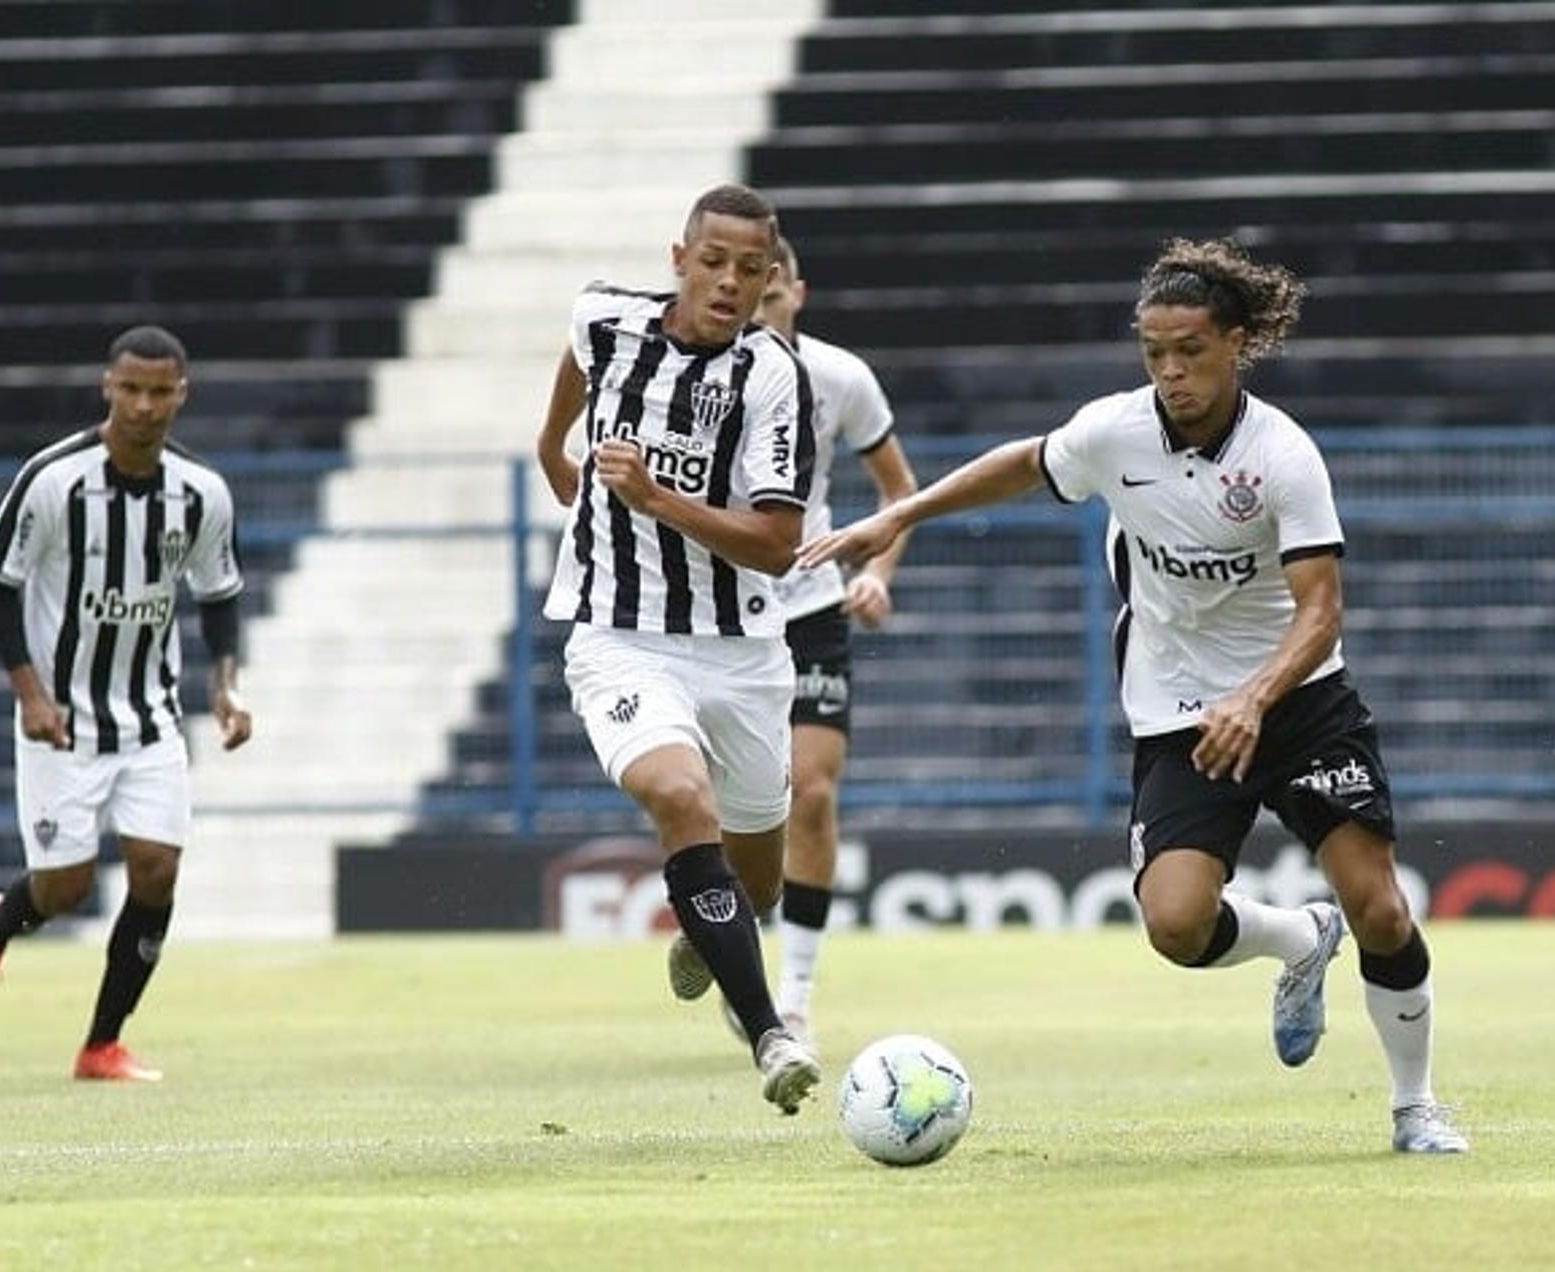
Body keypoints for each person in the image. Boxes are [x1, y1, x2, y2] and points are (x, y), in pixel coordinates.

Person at [800, 238, 1468, 1155]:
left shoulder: (1283, 455)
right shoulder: (1116, 433)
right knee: (1175, 925)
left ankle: (1415, 1108)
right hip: (1180, 710)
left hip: (1301, 700)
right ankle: (1294, 940)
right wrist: (895, 515)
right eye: (1153, 351)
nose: (1170, 370)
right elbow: (1024, 463)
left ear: (1236, 343)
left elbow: (1321, 613)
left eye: (1190, 349)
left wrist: (1256, 698)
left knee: (1382, 908)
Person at [536, 183, 822, 1114]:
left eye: (751, 270)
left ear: (770, 277)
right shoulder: (603, 320)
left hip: (740, 648)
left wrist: (659, 500)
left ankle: (715, 923)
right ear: (679, 256)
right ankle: (772, 1034)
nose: (730, 283)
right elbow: (573, 383)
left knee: (760, 877)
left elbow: (778, 544)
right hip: (618, 635)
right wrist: (553, 451)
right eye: (714, 263)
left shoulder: (772, 376)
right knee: (675, 794)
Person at [0, 324, 253, 1083]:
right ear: (107, 388)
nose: (145, 407)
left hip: (150, 716)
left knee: (156, 870)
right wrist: (29, 693)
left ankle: (101, 1044)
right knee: (66, 886)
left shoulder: (203, 494)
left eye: (161, 392)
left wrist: (225, 684)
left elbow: (220, 596)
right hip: (63, 723)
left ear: (182, 395)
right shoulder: (53, 481)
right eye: (131, 390)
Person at [752, 235, 917, 1046]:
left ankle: (795, 995)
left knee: (811, 791)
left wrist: (878, 572)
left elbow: (898, 493)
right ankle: (724, 925)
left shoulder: (840, 378)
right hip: (716, 611)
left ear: (797, 293)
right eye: (747, 294)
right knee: (732, 807)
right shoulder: (688, 380)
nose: (758, 309)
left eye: (771, 293)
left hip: (811, 603)